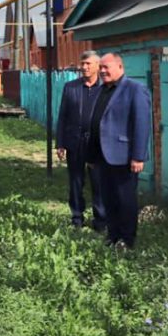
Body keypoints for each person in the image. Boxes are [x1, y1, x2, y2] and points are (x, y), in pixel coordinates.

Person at [88, 52, 151, 249]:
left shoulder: (135, 89)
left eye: (107, 67)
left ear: (120, 67)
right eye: (101, 67)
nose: (103, 71)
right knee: (108, 197)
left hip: (124, 156)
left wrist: (138, 156)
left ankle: (126, 239)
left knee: (125, 199)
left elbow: (142, 124)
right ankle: (112, 235)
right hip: (102, 155)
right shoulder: (102, 90)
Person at [56, 50, 106, 231]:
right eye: (82, 63)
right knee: (76, 181)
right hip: (75, 142)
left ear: (98, 66)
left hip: (97, 144)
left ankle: (101, 220)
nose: (84, 67)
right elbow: (63, 116)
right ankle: (77, 218)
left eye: (88, 64)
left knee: (98, 181)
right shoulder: (71, 87)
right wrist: (60, 143)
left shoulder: (105, 88)